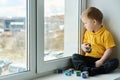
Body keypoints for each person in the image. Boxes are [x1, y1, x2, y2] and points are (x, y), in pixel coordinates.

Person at [71, 7, 119, 76]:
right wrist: (83, 46)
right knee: (74, 57)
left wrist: (101, 61)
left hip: (100, 60)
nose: (84, 26)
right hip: (89, 59)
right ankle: (86, 69)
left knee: (115, 61)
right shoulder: (87, 33)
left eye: (85, 23)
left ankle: (96, 70)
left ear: (94, 22)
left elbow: (109, 49)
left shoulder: (106, 34)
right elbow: (85, 44)